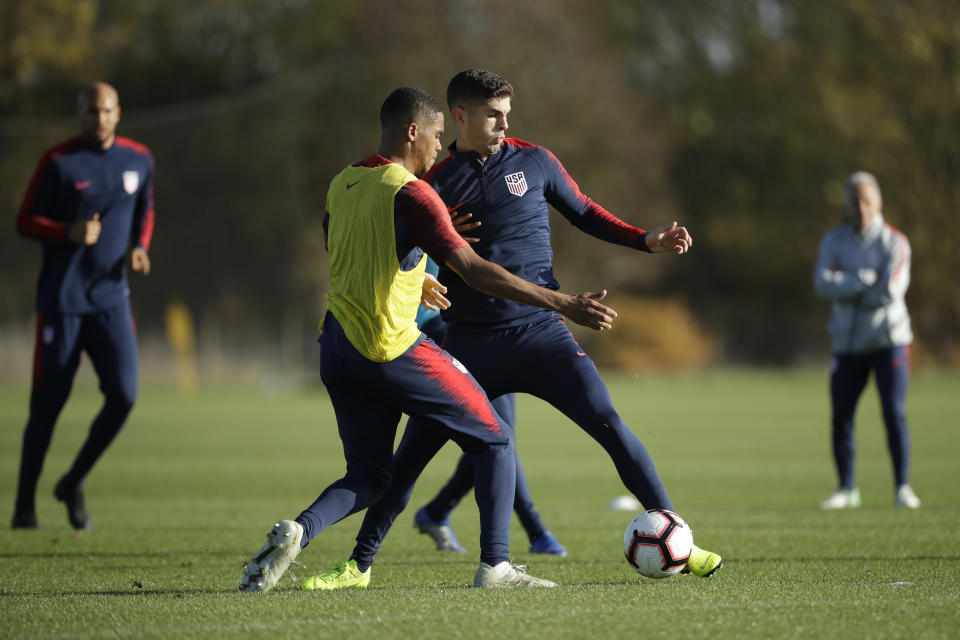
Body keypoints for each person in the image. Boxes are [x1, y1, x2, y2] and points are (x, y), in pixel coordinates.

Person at [300, 68, 721, 591]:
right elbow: (378, 237)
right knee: (406, 463)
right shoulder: (426, 180)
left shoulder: (535, 160)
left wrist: (645, 240)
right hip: (470, 343)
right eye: (493, 115)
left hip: (542, 333)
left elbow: (584, 211)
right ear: (460, 116)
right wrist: (417, 275)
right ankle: (357, 566)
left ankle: (678, 535)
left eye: (507, 116)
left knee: (611, 427)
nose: (503, 125)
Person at [238, 86, 618, 592]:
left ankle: (297, 531)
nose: (440, 146)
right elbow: (476, 271)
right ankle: (496, 567)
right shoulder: (415, 192)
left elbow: (345, 248)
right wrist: (563, 303)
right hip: (391, 348)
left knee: (371, 477)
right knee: (496, 438)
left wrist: (413, 275)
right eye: (437, 135)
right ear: (412, 131)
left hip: (336, 350)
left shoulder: (344, 182)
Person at [12, 82, 155, 531]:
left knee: (124, 396)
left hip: (111, 302)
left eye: (107, 110)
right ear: (81, 114)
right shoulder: (58, 162)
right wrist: (66, 232)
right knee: (47, 406)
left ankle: (72, 481)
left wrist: (140, 247)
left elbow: (145, 210)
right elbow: (24, 220)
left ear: (119, 113)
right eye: (92, 111)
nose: (100, 118)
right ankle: (23, 508)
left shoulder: (139, 158)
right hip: (62, 303)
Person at [414, 257, 567, 556]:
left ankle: (436, 511)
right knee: (497, 434)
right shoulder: (410, 214)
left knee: (495, 436)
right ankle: (535, 531)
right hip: (439, 327)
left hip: (484, 325)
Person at [814, 171, 920, 510]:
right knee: (841, 417)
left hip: (888, 342)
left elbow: (888, 291)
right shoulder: (834, 240)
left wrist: (845, 285)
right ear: (846, 205)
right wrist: (861, 281)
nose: (860, 208)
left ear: (879, 204)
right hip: (847, 345)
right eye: (854, 202)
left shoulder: (894, 242)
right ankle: (847, 489)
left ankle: (902, 486)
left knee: (893, 413)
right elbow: (821, 283)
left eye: (867, 201)